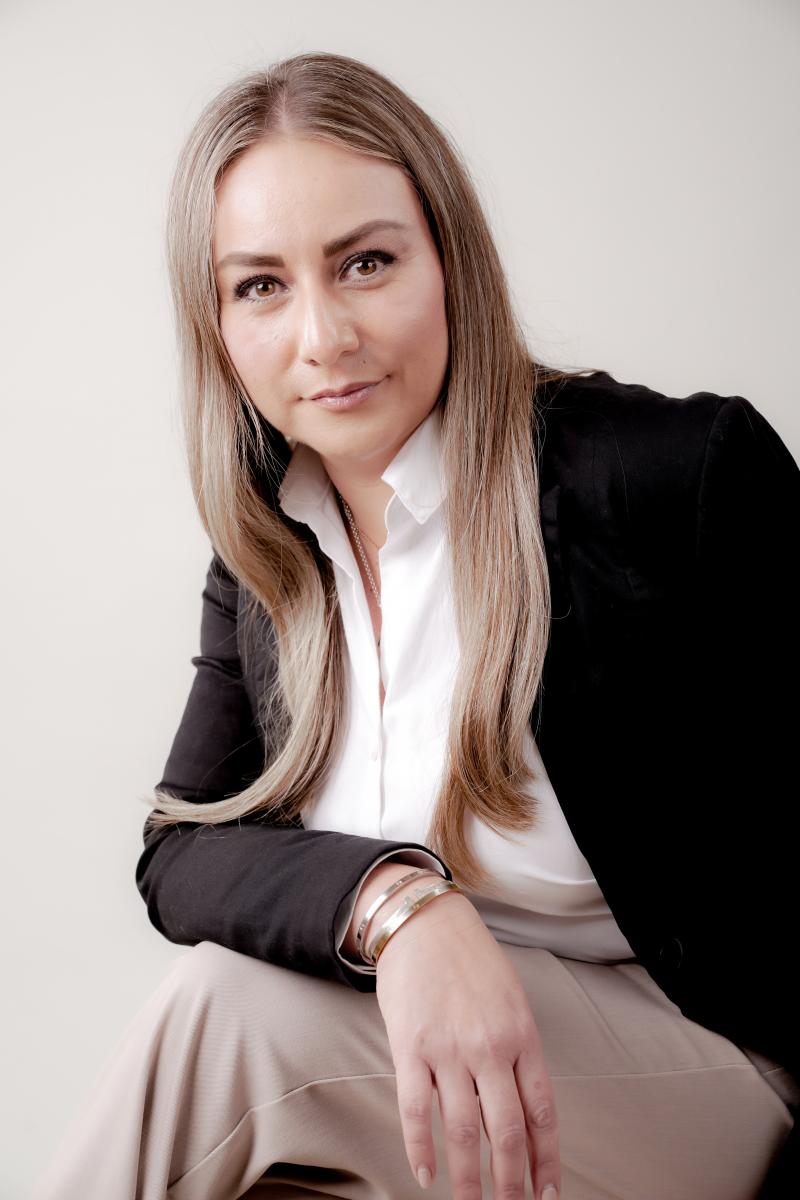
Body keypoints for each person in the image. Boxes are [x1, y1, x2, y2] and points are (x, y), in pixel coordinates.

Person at [31, 50, 799, 1200]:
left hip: (707, 1083)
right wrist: (398, 905)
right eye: (261, 285)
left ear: (447, 258)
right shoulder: (271, 548)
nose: (323, 336)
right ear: (216, 324)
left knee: (232, 1017)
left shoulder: (667, 480)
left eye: (366, 263)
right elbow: (181, 845)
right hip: (435, 1085)